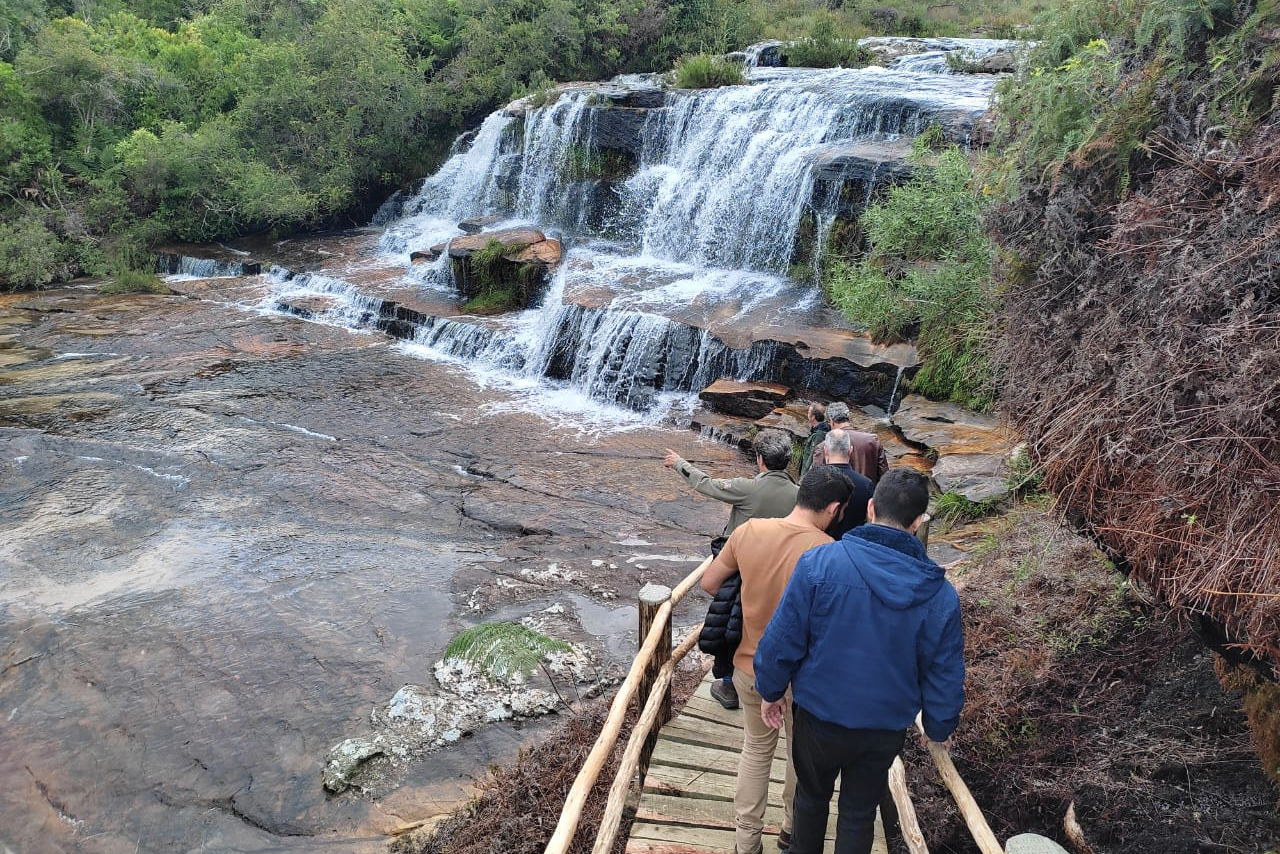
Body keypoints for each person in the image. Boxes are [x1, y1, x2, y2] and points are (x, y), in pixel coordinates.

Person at [754, 468, 965, 854]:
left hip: (819, 715)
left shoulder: (819, 563)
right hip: (883, 727)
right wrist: (939, 725)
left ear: (870, 508)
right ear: (918, 523)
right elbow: (944, 672)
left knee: (811, 798)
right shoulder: (940, 595)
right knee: (859, 812)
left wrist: (770, 690)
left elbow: (783, 637)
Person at [700, 466, 854, 854]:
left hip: (749, 667)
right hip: (802, 679)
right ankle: (789, 830)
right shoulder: (829, 553)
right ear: (834, 508)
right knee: (797, 755)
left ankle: (746, 842)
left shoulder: (749, 532)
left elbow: (709, 583)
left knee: (755, 750)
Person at [664, 428, 798, 709]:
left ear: (760, 459)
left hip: (741, 569)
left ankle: (728, 685)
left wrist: (679, 463)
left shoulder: (748, 489)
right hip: (780, 572)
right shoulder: (799, 494)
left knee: (730, 625)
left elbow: (707, 484)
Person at [819, 428, 874, 541]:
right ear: (851, 451)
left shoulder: (814, 481)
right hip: (854, 546)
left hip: (818, 547)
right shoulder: (866, 484)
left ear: (825, 451)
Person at [815, 402, 889, 484]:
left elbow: (815, 481)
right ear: (849, 417)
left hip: (836, 496)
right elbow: (885, 477)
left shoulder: (823, 447)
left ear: (831, 421)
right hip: (868, 495)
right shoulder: (873, 441)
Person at [797, 402, 829, 478]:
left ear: (813, 417)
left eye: (808, 413)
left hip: (808, 476)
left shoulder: (819, 435)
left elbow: (812, 458)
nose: (807, 414)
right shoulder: (817, 429)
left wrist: (803, 477)